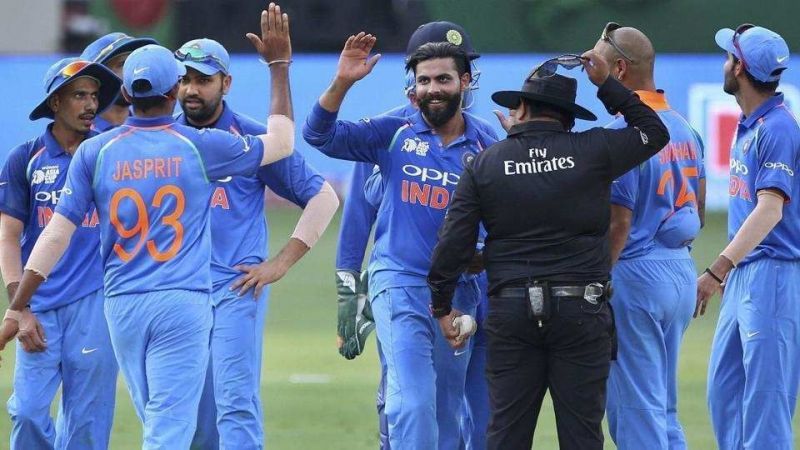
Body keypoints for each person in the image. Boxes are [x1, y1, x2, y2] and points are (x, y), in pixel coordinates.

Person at [0, 4, 296, 447]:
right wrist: (277, 67)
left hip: (120, 307)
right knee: (168, 425)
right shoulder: (200, 146)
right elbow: (283, 142)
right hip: (183, 303)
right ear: (174, 91)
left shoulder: (95, 152)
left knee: (153, 415)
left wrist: (16, 304)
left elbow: (54, 236)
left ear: (124, 92)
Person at [428, 52, 670, 450]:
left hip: (511, 313)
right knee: (582, 437)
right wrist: (607, 84)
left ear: (520, 108)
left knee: (506, 434)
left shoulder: (485, 164)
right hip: (581, 314)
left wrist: (441, 305)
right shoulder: (595, 149)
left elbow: (452, 243)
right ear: (569, 118)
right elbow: (652, 131)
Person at [304, 35, 498, 449]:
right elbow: (318, 136)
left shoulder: (488, 145)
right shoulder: (391, 131)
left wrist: (486, 257)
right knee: (411, 403)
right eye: (424, 80)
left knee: (448, 411)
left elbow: (508, 220)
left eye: (443, 79)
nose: (433, 89)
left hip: (459, 291)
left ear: (465, 81)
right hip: (399, 283)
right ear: (413, 85)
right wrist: (341, 82)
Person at [173, 37, 339, 449]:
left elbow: (323, 197)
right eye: (185, 79)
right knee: (186, 411)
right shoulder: (164, 139)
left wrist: (280, 262)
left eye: (203, 80)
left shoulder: (251, 138)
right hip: (175, 295)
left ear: (226, 83)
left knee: (235, 402)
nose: (192, 89)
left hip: (233, 291)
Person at [592, 23, 706, 450]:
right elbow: (698, 201)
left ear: (618, 70)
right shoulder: (685, 128)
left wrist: (595, 280)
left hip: (636, 275)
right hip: (679, 269)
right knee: (663, 408)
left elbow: (618, 224)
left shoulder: (627, 133)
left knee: (634, 412)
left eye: (596, 63)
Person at [0, 57, 120, 450]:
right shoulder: (25, 159)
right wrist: (21, 309)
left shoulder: (108, 154)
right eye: (78, 95)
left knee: (87, 424)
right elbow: (8, 239)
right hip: (40, 307)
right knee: (29, 412)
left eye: (94, 96)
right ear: (55, 103)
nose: (90, 105)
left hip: (96, 303)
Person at [697, 24, 800, 450]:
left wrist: (717, 268)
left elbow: (771, 210)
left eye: (728, 56)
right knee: (724, 396)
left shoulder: (778, 128)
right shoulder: (752, 123)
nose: (724, 62)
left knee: (764, 406)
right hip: (745, 277)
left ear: (739, 67)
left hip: (772, 276)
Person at [80, 32, 158, 131]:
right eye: (123, 64)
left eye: (136, 63)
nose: (135, 71)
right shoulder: (77, 135)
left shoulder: (152, 130)